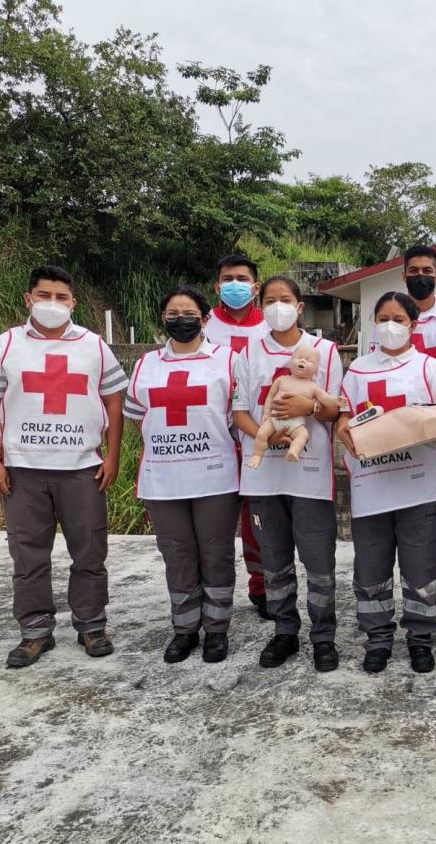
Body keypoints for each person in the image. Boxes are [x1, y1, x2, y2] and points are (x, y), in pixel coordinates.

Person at [0, 265, 127, 668]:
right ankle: (35, 631)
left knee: (90, 550)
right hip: (23, 468)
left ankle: (91, 624)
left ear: (73, 303)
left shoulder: (93, 345)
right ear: (28, 299)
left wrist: (112, 456)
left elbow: (113, 401)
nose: (52, 304)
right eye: (44, 296)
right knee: (27, 554)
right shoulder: (5, 346)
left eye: (61, 298)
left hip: (82, 468)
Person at [336, 292, 436, 674]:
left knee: (419, 568)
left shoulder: (428, 368)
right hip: (370, 485)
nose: (390, 325)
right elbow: (343, 420)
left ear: (413, 324)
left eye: (399, 319)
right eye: (383, 317)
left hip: (417, 486)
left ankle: (420, 639)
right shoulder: (358, 369)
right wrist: (350, 439)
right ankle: (377, 639)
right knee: (371, 568)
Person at [124, 286, 242, 663]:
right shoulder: (147, 364)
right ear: (163, 319)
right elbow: (136, 416)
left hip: (215, 477)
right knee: (177, 555)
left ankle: (217, 631)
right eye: (172, 314)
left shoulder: (227, 360)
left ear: (206, 318)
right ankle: (185, 629)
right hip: (163, 479)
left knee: (216, 553)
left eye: (188, 312)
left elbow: (239, 418)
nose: (180, 319)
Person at [232, 276, 344, 672]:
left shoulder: (325, 352)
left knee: (318, 562)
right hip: (264, 476)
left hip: (310, 475)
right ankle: (284, 631)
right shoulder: (246, 351)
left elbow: (335, 410)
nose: (278, 307)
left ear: (300, 307)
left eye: (286, 300)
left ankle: (323, 637)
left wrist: (310, 408)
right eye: (270, 300)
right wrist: (270, 438)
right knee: (275, 560)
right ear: (261, 306)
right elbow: (241, 411)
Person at [203, 254, 270, 619]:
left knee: (257, 518)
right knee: (215, 521)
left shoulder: (270, 327)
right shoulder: (204, 324)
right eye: (227, 278)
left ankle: (262, 586)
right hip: (214, 435)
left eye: (242, 278)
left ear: (255, 287)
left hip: (258, 433)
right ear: (217, 286)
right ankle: (211, 593)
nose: (235, 285)